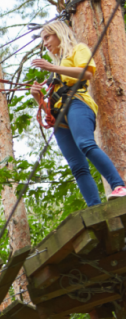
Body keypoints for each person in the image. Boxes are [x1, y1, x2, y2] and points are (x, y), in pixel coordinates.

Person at [30, 20, 126, 207]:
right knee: (77, 167)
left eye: (47, 37)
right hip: (59, 118)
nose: (46, 43)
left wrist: (53, 68)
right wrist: (38, 98)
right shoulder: (54, 71)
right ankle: (94, 207)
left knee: (85, 143)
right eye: (43, 40)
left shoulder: (77, 50)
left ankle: (118, 185)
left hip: (77, 103)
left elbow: (87, 74)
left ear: (59, 34)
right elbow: (49, 109)